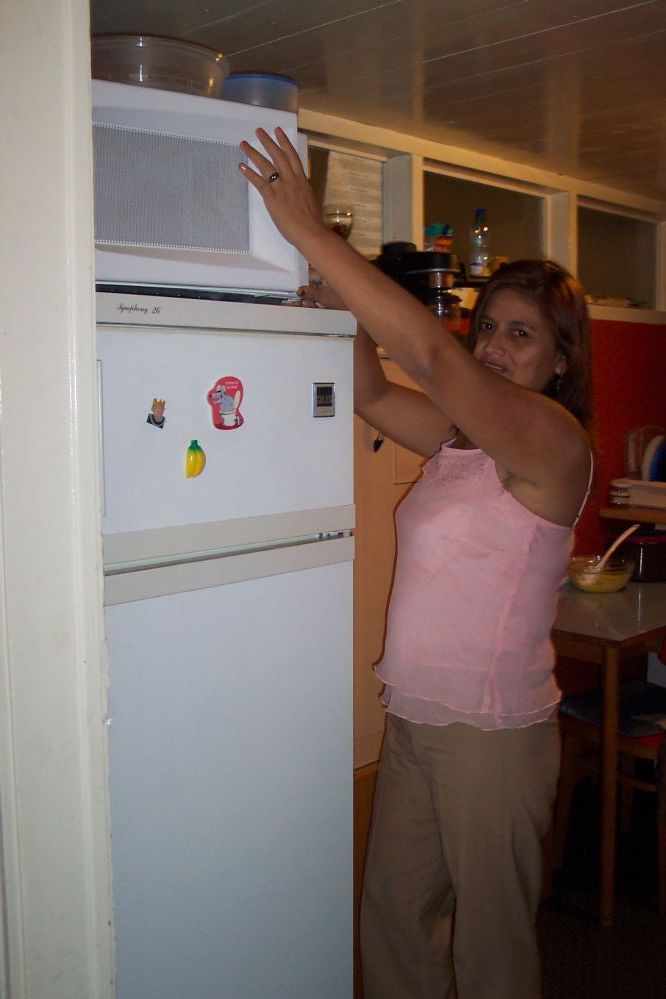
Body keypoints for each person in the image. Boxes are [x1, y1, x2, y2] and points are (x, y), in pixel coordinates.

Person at [239, 128, 593, 999]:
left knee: (492, 951)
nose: (494, 346)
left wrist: (310, 231)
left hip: (494, 738)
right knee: (396, 928)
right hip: (417, 718)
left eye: (521, 335)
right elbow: (369, 391)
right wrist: (338, 303)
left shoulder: (553, 440)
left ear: (560, 359)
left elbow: (432, 358)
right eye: (488, 327)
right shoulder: (464, 440)